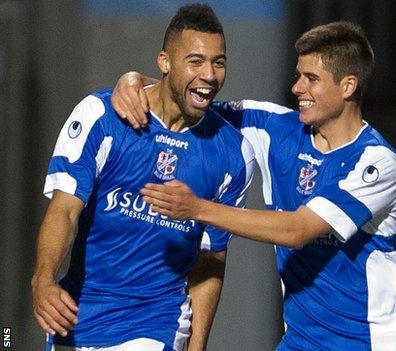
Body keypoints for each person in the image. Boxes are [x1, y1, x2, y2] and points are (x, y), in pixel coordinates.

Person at [112, 21, 396, 351]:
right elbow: (190, 97)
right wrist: (133, 81)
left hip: (366, 342)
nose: (297, 88)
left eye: (311, 79)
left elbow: (298, 230)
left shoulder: (376, 162)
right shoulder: (275, 128)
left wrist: (197, 209)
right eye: (298, 75)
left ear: (348, 87)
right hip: (300, 341)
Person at [31, 4, 254, 351]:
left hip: (157, 321)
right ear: (164, 62)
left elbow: (211, 259)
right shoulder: (101, 117)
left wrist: (197, 348)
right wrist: (43, 279)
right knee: (8, 339)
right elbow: (65, 211)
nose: (210, 75)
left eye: (219, 62)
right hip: (79, 316)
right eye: (195, 61)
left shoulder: (233, 154)